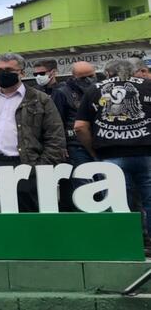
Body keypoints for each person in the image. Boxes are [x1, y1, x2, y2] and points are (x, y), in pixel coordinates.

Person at [0, 53, 66, 212]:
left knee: (26, 221)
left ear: (22, 73)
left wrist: (39, 169)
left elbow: (55, 137)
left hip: (26, 167)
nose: (3, 73)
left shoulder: (41, 99)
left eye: (9, 69)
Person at [75, 59, 151, 252]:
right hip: (146, 152)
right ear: (133, 72)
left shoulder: (94, 89)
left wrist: (94, 152)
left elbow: (80, 127)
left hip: (110, 155)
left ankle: (126, 247)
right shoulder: (148, 85)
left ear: (107, 74)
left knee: (118, 202)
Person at [52, 61, 98, 210]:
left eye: (91, 76)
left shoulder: (101, 89)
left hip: (100, 143)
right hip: (75, 145)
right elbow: (56, 120)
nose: (89, 80)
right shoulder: (62, 92)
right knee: (84, 185)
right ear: (73, 77)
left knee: (104, 183)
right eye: (83, 78)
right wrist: (61, 145)